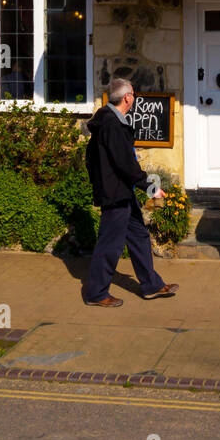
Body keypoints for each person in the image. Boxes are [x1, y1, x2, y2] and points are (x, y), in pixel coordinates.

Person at [83, 77, 178, 306]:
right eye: (133, 94)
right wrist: (151, 188)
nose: (134, 98)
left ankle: (151, 285)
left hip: (122, 191)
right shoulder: (112, 126)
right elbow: (126, 164)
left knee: (138, 236)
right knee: (110, 244)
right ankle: (96, 293)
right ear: (127, 97)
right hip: (115, 194)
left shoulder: (109, 121)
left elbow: (94, 159)